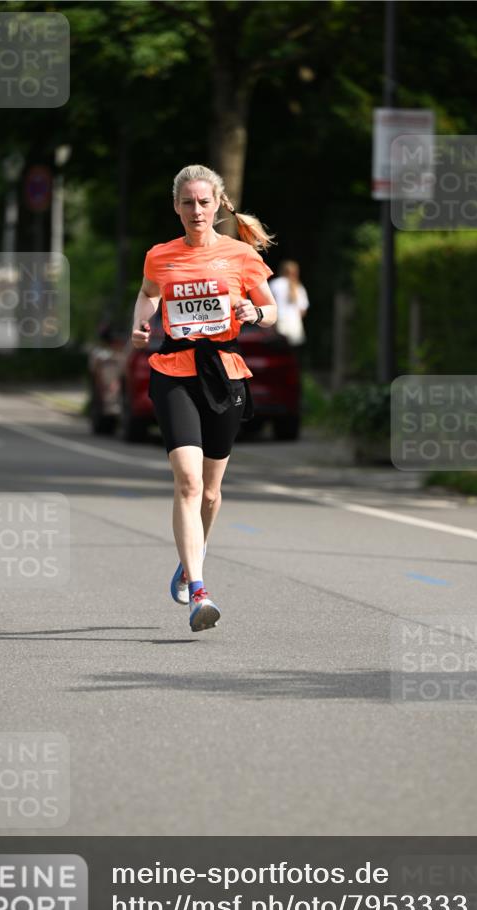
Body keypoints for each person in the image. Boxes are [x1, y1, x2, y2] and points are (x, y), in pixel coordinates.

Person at [131, 164, 277, 632]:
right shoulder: (160, 256)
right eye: (188, 202)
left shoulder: (241, 255)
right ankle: (199, 590)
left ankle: (191, 556)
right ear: (176, 207)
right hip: (174, 371)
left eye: (204, 201)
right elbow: (148, 293)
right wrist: (141, 322)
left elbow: (271, 310)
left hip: (225, 373)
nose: (196, 210)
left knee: (211, 493)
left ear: (218, 206)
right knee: (189, 483)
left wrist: (253, 310)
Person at [269, 260, 309, 353]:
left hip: (278, 323)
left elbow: (268, 304)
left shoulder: (275, 284)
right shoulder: (299, 287)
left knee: (278, 353)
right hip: (294, 323)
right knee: (293, 354)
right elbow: (303, 310)